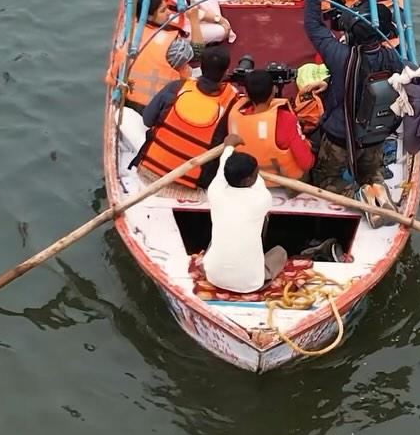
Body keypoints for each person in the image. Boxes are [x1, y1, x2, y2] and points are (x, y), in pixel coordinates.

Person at [303, 0, 404, 217]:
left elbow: (313, 25)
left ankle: (357, 195)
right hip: (375, 134)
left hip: (340, 137)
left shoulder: (341, 57)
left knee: (327, 180)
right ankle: (376, 186)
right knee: (370, 169)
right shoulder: (393, 58)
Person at [133, 46, 240, 189]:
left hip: (150, 174)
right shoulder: (231, 104)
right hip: (192, 186)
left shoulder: (175, 88)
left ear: (200, 67)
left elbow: (147, 120)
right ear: (226, 72)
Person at [203, 135, 287, 293]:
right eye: (256, 172)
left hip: (213, 276)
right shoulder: (262, 198)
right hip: (250, 283)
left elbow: (223, 167)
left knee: (214, 243)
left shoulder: (215, 190)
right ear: (249, 179)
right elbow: (256, 180)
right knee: (280, 253)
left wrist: (228, 146)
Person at [228, 69, 314, 179]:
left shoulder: (235, 116)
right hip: (283, 182)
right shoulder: (286, 120)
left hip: (248, 179)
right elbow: (306, 163)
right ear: (274, 90)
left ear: (246, 92)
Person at [124, 0, 201, 110]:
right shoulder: (172, 46)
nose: (169, 13)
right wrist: (194, 20)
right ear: (149, 17)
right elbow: (197, 53)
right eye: (163, 10)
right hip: (160, 105)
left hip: (130, 99)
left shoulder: (128, 34)